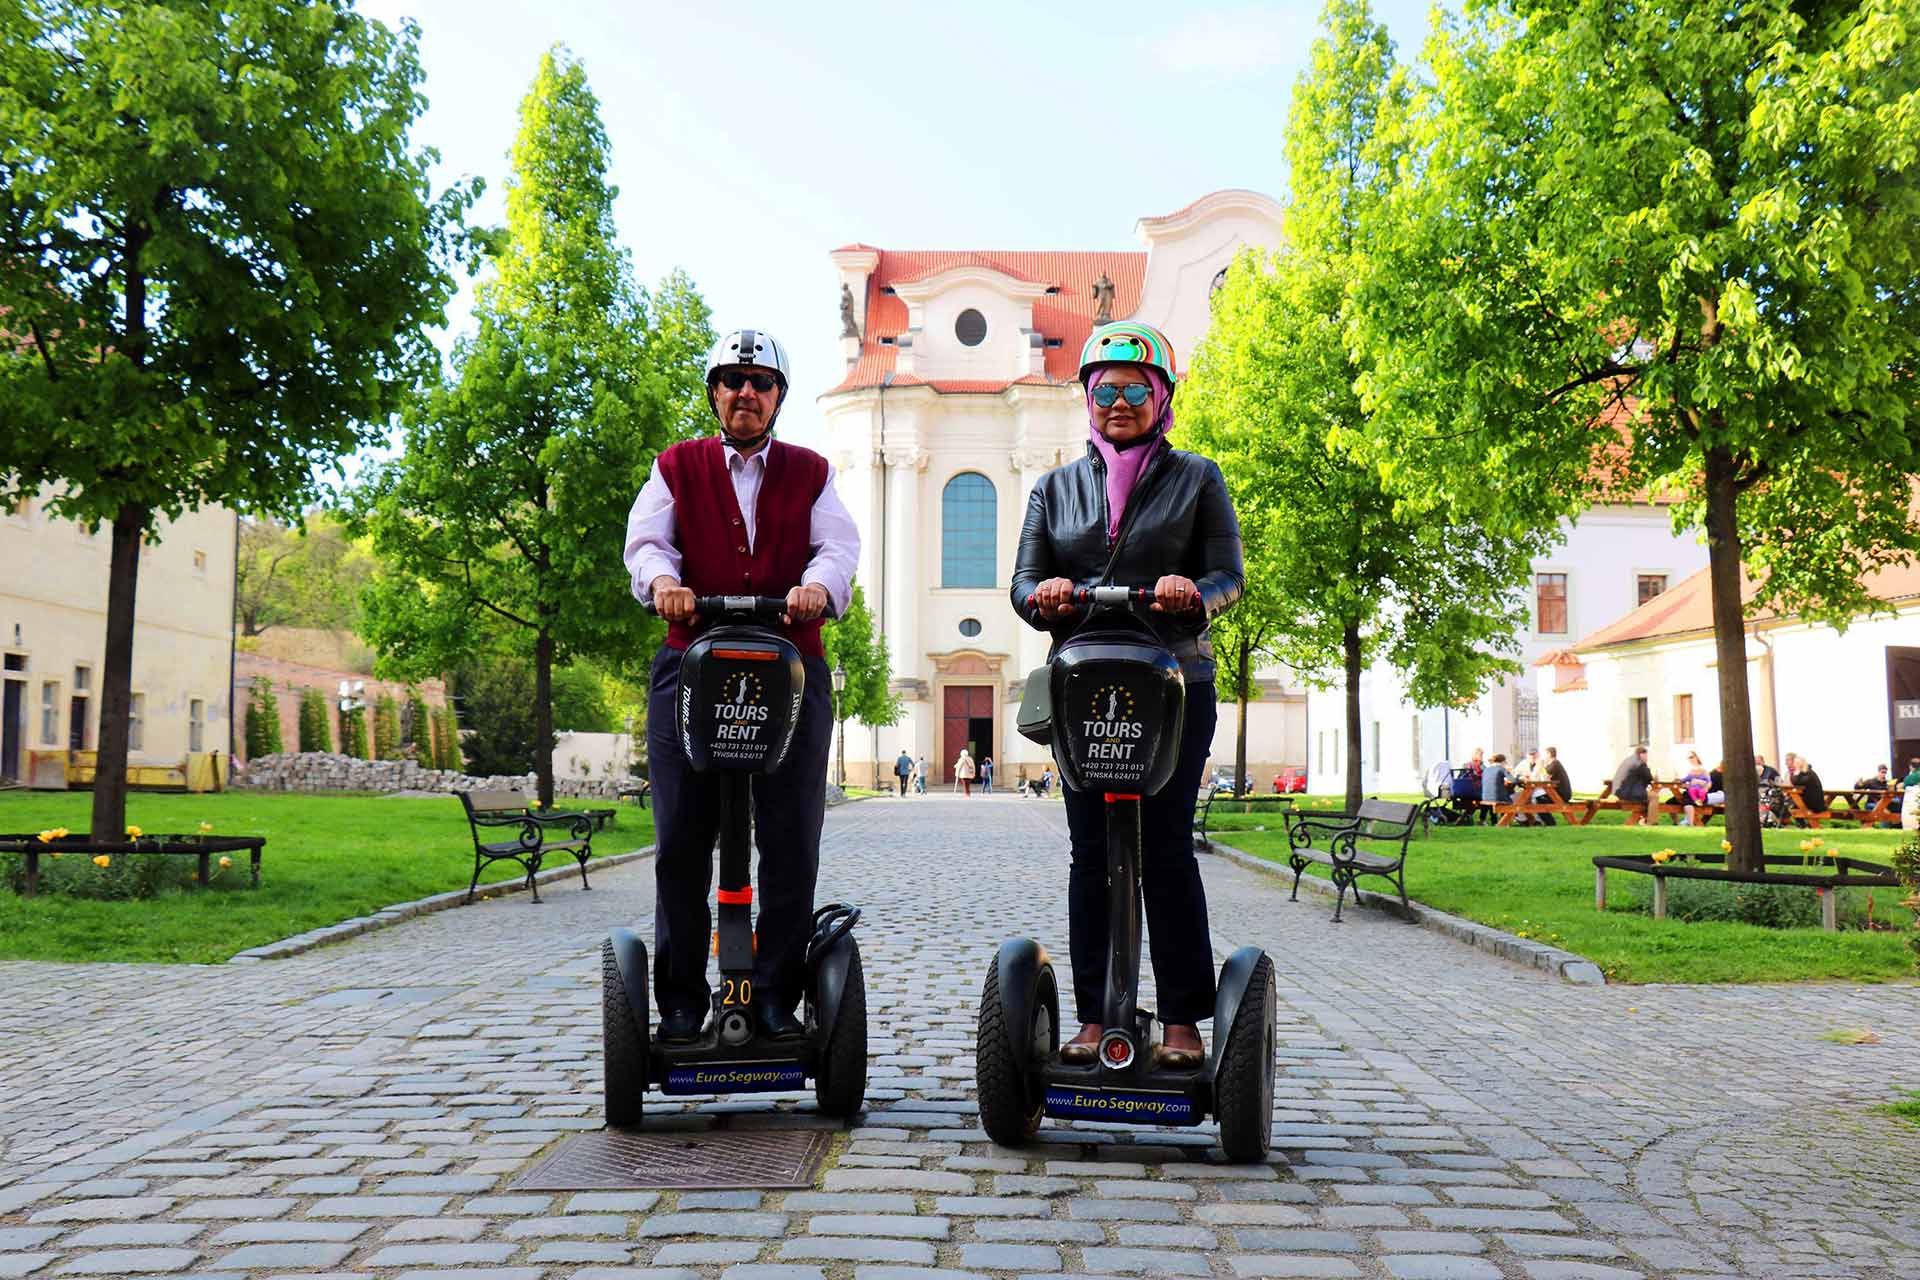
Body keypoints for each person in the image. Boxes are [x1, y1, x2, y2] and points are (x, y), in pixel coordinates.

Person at [1012, 319, 1245, 1072]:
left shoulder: (1197, 478)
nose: (1119, 402)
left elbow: (1229, 576)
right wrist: (1043, 595)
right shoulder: (1054, 487)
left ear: (1162, 397)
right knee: (1090, 854)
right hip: (1085, 685)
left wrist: (1194, 594)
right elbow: (1021, 583)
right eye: (1105, 389)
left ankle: (1181, 1022)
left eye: (1135, 390)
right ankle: (1092, 1018)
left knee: (1168, 849)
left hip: (1173, 681)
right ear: (1087, 398)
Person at [622, 327, 859, 1044]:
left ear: (778, 397)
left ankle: (775, 996)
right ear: (714, 393)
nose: (745, 393)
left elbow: (838, 545)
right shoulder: (677, 466)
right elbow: (647, 541)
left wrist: (817, 588)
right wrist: (664, 582)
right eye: (731, 381)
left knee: (791, 837)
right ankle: (686, 1001)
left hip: (788, 671)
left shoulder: (811, 471)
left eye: (759, 384)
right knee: (682, 840)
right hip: (691, 668)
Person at [1612, 745, 1653, 824]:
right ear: (1642, 754)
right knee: (1653, 797)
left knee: (1648, 797)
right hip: (1625, 792)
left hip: (1619, 790)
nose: (1647, 757)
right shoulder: (1637, 763)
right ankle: (1650, 821)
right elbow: (1648, 777)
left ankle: (1644, 819)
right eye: (1646, 755)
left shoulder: (1630, 759)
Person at [1678, 751, 1712, 826]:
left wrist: (1700, 783)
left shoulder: (1703, 769)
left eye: (1691, 757)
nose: (1690, 759)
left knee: (1688, 800)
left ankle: (1688, 823)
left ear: (1696, 757)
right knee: (1674, 802)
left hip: (1700, 793)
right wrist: (1688, 785)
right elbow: (1682, 783)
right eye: (1688, 758)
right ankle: (1689, 824)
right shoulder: (1688, 770)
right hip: (1690, 792)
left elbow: (1709, 784)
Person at [1790, 756, 1826, 824]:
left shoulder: (1809, 774)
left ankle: (1807, 825)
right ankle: (1805, 824)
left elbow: (1797, 782)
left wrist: (1796, 773)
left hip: (1815, 803)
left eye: (1796, 763)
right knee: (1793, 805)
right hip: (1810, 799)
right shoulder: (1805, 773)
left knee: (1795, 806)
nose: (1794, 765)